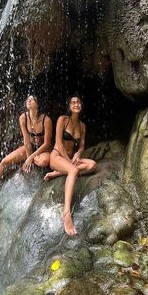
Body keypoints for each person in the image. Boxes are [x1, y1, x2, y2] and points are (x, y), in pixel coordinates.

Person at [0, 95, 52, 208]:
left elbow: (47, 143)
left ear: (37, 105)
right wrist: (28, 156)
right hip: (29, 148)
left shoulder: (46, 120)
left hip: (42, 149)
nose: (29, 101)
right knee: (4, 162)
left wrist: (30, 158)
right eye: (27, 99)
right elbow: (26, 140)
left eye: (32, 99)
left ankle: (33, 160)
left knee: (43, 161)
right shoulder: (23, 118)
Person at [45, 95, 97, 235]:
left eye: (78, 102)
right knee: (73, 170)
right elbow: (60, 144)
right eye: (73, 102)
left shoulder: (82, 126)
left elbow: (81, 146)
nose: (76, 104)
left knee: (92, 164)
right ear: (69, 106)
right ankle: (66, 215)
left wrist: (78, 154)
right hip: (57, 156)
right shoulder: (63, 120)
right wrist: (69, 161)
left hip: (69, 161)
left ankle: (60, 173)